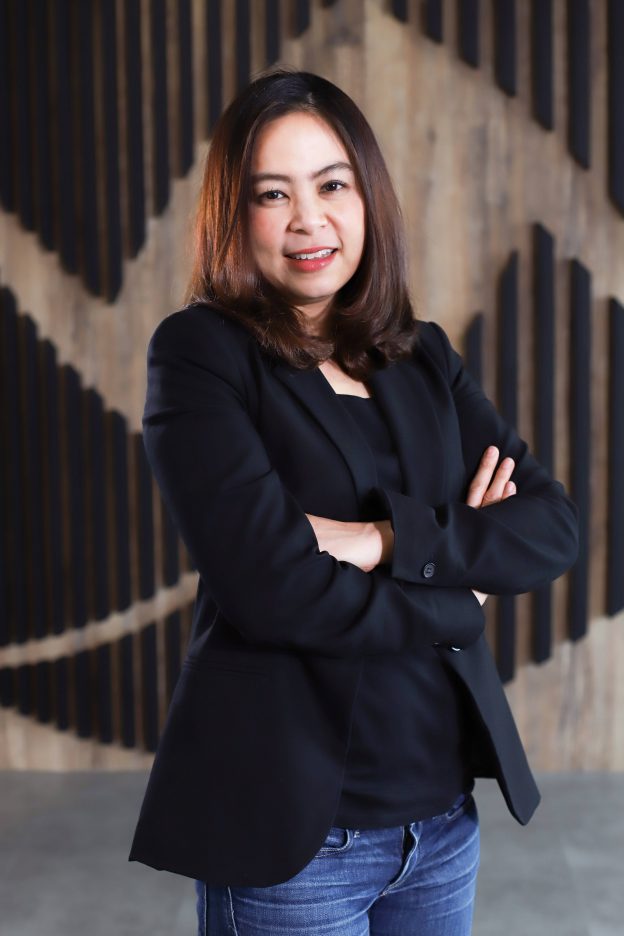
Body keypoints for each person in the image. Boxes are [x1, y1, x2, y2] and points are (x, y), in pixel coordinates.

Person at [129, 67, 578, 935]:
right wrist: (459, 593)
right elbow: (273, 591)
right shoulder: (199, 355)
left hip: (440, 819)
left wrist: (380, 540)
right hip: (296, 838)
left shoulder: (422, 356)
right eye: (273, 194)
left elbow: (550, 527)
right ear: (235, 214)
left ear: (367, 196)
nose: (309, 219)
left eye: (332, 185)